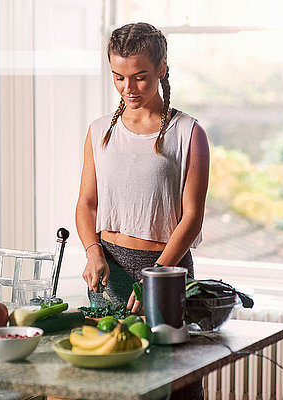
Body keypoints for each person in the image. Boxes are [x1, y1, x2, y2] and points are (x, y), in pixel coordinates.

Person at [76, 21, 209, 315]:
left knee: (168, 360)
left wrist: (157, 274)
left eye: (139, 77)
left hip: (167, 269)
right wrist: (92, 251)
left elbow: (192, 217)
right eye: (118, 77)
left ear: (161, 69)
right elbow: (87, 204)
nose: (128, 88)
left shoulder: (189, 133)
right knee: (108, 355)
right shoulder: (98, 131)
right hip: (108, 270)